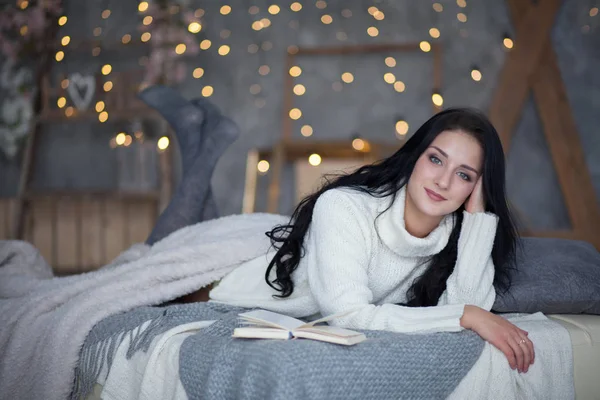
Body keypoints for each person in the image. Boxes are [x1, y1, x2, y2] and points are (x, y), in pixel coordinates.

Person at [139, 86, 535, 375]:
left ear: (476, 187)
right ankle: (200, 148)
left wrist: (480, 217)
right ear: (416, 156)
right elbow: (349, 316)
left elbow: (467, 307)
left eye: (464, 174)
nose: (444, 181)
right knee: (158, 251)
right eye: (436, 159)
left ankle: (195, 138)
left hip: (279, 253)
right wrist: (466, 316)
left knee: (193, 221)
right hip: (225, 277)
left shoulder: (456, 234)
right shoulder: (344, 207)